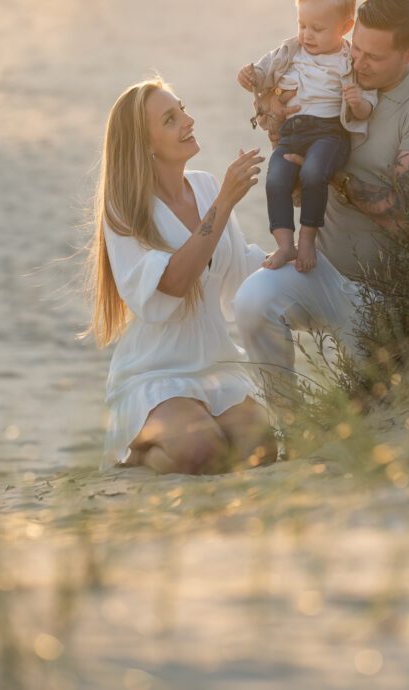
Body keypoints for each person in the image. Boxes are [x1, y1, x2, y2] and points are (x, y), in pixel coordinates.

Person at [232, 0, 409, 374]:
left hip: (385, 295)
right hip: (320, 270)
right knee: (252, 300)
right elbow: (303, 193)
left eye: (374, 56)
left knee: (368, 407)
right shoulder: (337, 80)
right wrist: (280, 130)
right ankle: (285, 426)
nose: (359, 61)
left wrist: (336, 179)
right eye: (356, 48)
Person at [86, 76, 277, 475]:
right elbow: (172, 283)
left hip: (214, 363)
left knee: (259, 450)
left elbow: (239, 271)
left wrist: (295, 254)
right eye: (171, 119)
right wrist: (224, 203)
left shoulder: (206, 186)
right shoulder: (125, 210)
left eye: (182, 109)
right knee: (200, 453)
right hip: (156, 372)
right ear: (145, 144)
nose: (188, 120)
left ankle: (182, 438)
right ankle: (141, 455)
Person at [237, 0, 376, 273]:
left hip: (329, 134)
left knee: (314, 173)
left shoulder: (348, 60)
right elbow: (262, 74)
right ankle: (285, 243)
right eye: (301, 25)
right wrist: (250, 77)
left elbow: (366, 111)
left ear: (345, 27)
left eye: (317, 28)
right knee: (275, 177)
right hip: (293, 132)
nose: (307, 34)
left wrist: (357, 102)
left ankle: (308, 238)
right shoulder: (290, 51)